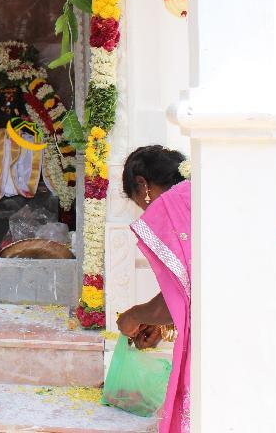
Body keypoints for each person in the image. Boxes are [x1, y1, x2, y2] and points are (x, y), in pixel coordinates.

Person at [115, 145, 191, 433]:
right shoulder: (192, 196)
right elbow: (186, 287)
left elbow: (182, 296)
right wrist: (161, 322)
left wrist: (134, 316)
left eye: (140, 202)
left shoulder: (171, 205)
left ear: (142, 184)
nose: (148, 211)